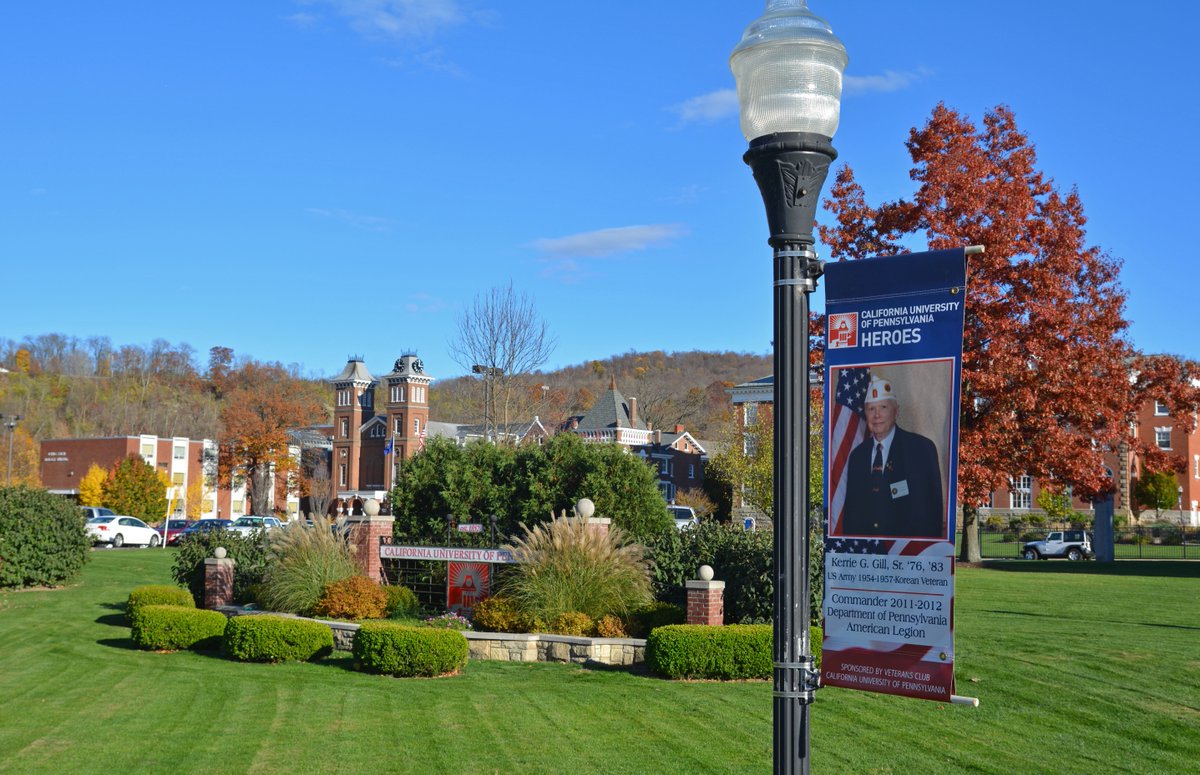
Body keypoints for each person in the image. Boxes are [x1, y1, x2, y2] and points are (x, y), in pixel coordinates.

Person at [842, 376, 944, 538]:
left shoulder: (921, 449)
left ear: (896, 411)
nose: (877, 415)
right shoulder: (857, 456)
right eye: (871, 409)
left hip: (907, 554)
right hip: (867, 555)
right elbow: (851, 514)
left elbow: (932, 510)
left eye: (883, 407)